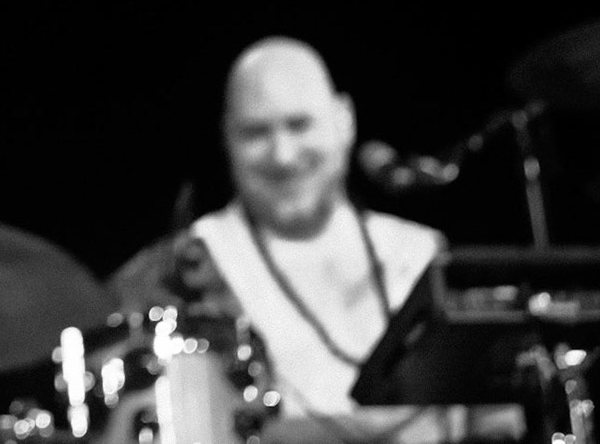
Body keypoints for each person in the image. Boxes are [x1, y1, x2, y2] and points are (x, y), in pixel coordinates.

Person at [110, 38, 521, 443]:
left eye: (299, 124)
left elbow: (497, 418)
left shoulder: (425, 255)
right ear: (226, 139)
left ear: (345, 120)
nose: (283, 155)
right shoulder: (175, 274)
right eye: (255, 133)